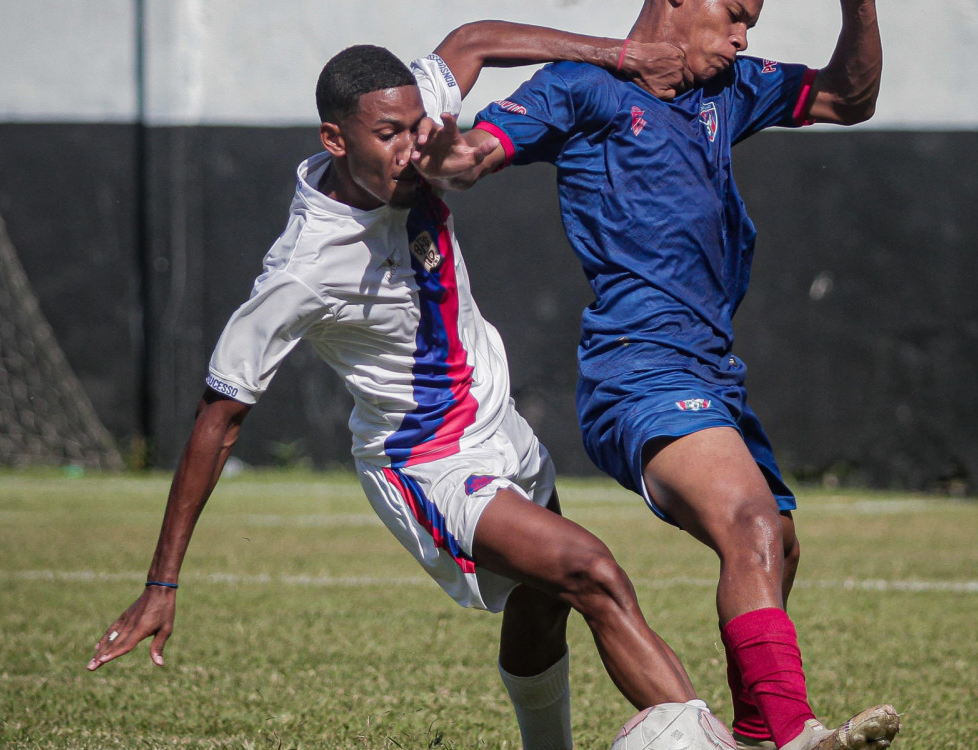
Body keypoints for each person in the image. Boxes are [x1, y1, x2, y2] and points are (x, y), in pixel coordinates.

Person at [87, 26, 706, 750]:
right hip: (429, 462)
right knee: (592, 571)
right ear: (336, 139)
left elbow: (474, 41)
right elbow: (217, 418)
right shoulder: (302, 270)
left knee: (544, 603)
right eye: (389, 135)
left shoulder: (413, 131)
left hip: (500, 426)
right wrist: (162, 584)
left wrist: (620, 57)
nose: (414, 147)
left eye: (418, 126)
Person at [411, 2, 899, 749]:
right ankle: (795, 733)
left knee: (778, 543)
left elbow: (848, 98)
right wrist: (445, 153)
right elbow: (473, 154)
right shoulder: (582, 87)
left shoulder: (729, 88)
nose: (742, 37)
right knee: (751, 524)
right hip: (638, 369)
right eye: (733, 14)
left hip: (711, 370)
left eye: (751, 24)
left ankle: (756, 733)